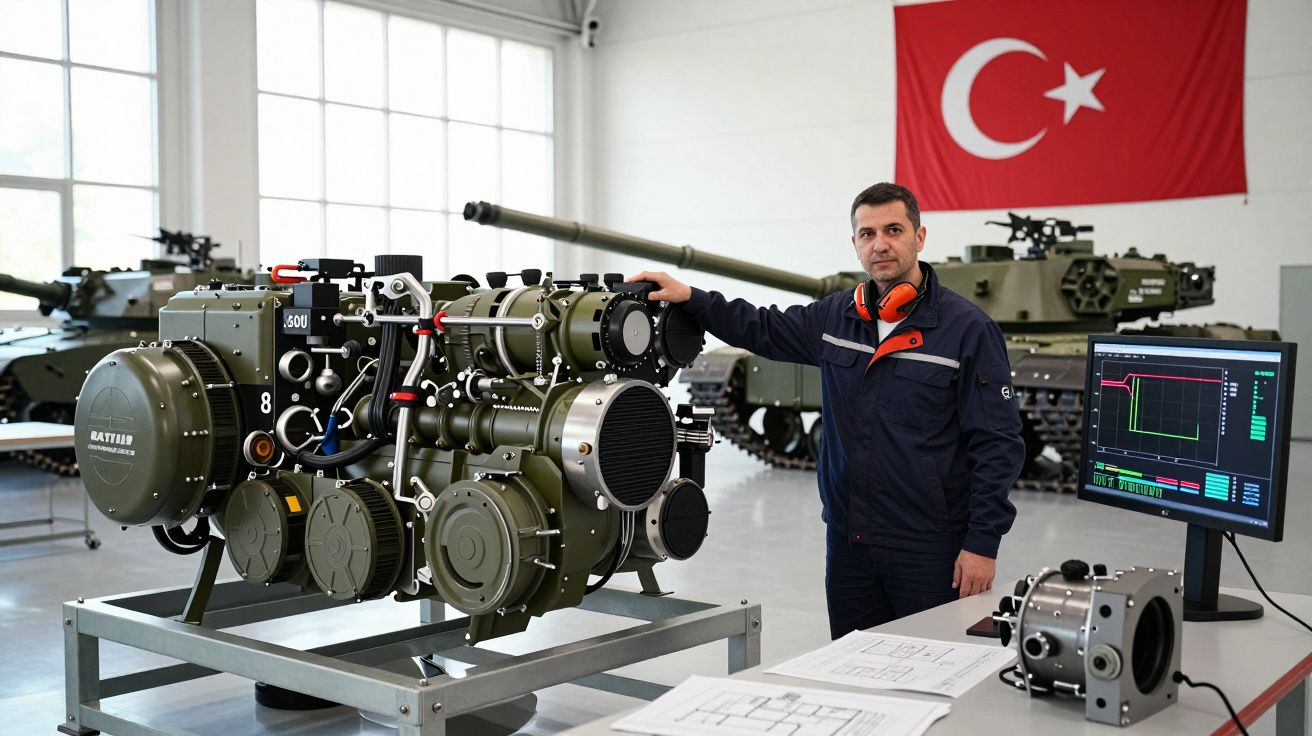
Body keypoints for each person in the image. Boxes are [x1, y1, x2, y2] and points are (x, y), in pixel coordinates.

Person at [630, 182, 1025, 639]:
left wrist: (981, 544)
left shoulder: (968, 330)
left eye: (894, 230)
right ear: (855, 243)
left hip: (928, 548)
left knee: (931, 671)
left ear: (919, 237)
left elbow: (997, 444)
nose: (881, 244)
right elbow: (760, 326)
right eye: (867, 233)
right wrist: (692, 298)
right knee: (852, 670)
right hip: (848, 542)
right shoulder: (836, 317)